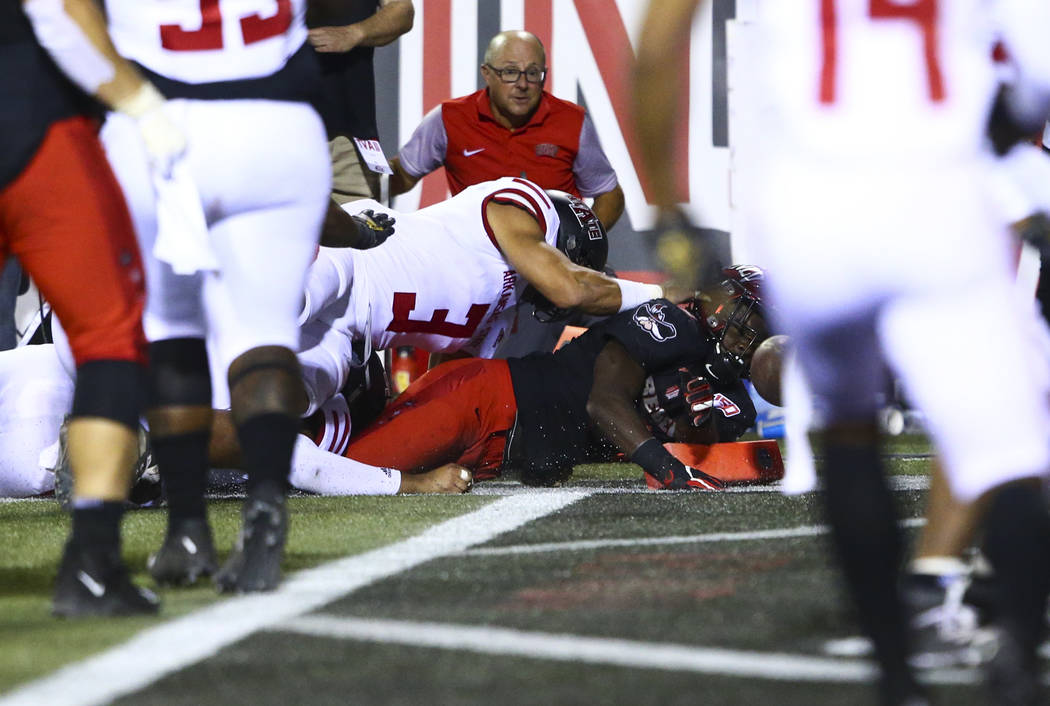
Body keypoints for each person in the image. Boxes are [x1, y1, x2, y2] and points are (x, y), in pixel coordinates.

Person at [634, 2, 1050, 704]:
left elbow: (659, 45)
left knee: (850, 434)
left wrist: (668, 208)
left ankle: (896, 678)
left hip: (813, 205)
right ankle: (1014, 664)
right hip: (936, 191)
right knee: (1009, 446)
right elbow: (1032, 73)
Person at [98, 0, 331, 593]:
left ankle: (187, 530)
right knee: (265, 333)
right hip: (278, 125)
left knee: (168, 328)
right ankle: (264, 518)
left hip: (157, 119)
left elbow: (60, 21)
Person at [228, 266, 772, 496]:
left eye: (763, 325)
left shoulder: (733, 395)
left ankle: (353, 404)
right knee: (341, 475)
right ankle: (200, 440)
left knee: (351, 458)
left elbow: (734, 454)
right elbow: (604, 403)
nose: (753, 334)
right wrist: (672, 472)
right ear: (718, 305)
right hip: (484, 400)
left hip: (500, 449)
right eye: (749, 318)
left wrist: (708, 442)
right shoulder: (673, 323)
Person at [7, 0, 184, 615]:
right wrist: (137, 99)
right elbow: (60, 10)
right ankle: (92, 563)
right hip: (31, 121)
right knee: (110, 336)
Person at [292, 178, 667, 419]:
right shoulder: (519, 205)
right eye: (578, 266)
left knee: (286, 401)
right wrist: (659, 293)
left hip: (354, 332)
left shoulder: (505, 311)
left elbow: (446, 380)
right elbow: (569, 288)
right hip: (356, 259)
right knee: (278, 308)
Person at [389, 30, 624, 230]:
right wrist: (359, 186)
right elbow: (402, 174)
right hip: (474, 259)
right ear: (487, 74)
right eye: (510, 72)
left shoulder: (572, 121)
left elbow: (609, 194)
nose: (522, 84)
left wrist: (582, 244)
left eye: (532, 73)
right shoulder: (449, 118)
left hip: (551, 259)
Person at [307, 0, 414, 204]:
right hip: (267, 133)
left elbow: (402, 10)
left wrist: (355, 33)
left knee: (361, 229)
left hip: (345, 141)